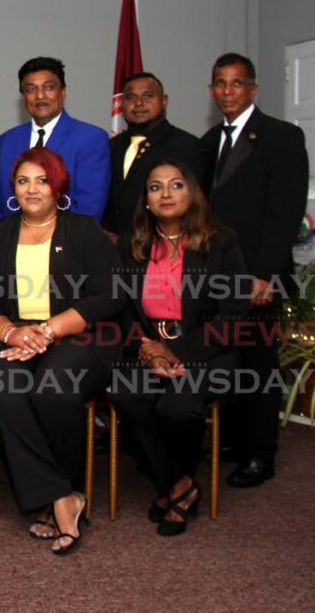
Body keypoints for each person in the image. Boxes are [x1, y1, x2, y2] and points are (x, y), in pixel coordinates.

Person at [0, 147, 120, 555]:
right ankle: (62, 496)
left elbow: (110, 295)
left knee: (54, 388)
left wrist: (49, 329)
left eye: (41, 180)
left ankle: (57, 493)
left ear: (58, 184)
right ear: (13, 189)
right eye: (23, 181)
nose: (32, 189)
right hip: (14, 337)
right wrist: (10, 332)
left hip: (78, 335)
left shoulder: (83, 230)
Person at [112, 160, 248, 535]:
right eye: (156, 187)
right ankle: (179, 485)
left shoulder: (222, 243)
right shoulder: (132, 244)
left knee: (178, 407)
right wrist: (150, 349)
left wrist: (178, 352)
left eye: (176, 185)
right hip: (147, 345)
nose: (166, 194)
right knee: (128, 396)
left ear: (193, 193)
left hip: (207, 350)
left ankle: (173, 484)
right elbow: (122, 308)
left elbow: (233, 314)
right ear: (147, 199)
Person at [201, 53, 308, 488]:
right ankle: (235, 440)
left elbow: (284, 214)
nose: (228, 91)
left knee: (259, 364)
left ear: (254, 89)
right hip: (215, 274)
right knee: (228, 359)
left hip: (257, 274)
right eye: (221, 84)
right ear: (212, 91)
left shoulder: (282, 137)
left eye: (237, 83)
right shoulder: (207, 142)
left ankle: (260, 453)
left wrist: (262, 275)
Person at [0, 57, 109, 223]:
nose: (40, 96)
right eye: (31, 89)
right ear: (23, 98)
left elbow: (89, 209)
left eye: (49, 87)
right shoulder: (6, 142)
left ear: (63, 92)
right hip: (10, 242)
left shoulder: (91, 138)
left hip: (68, 243)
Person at [104, 72, 209, 242]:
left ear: (164, 100)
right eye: (131, 97)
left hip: (161, 251)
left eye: (148, 96)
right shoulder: (111, 147)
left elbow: (192, 209)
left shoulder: (188, 147)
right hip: (110, 254)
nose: (139, 103)